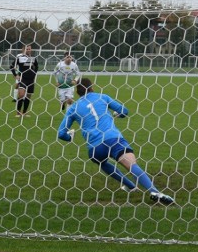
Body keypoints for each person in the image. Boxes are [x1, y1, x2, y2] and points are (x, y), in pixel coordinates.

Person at [58, 77, 175, 206]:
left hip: (95, 148)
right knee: (131, 165)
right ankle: (155, 192)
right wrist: (116, 114)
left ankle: (130, 186)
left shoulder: (74, 108)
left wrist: (70, 137)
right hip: (113, 139)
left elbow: (61, 134)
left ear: (77, 91)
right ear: (92, 87)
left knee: (102, 163)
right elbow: (124, 111)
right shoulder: (102, 97)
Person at [11, 44, 39, 117]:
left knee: (28, 96)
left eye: (29, 49)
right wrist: (16, 75)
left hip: (31, 79)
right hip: (23, 79)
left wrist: (34, 73)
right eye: (27, 49)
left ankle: (24, 112)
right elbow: (11, 66)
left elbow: (37, 66)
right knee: (21, 95)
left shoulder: (33, 58)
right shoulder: (19, 58)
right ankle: (18, 112)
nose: (28, 50)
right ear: (23, 50)